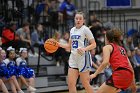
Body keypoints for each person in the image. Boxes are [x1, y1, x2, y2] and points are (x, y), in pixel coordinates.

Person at [59, 11, 96, 93]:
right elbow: (69, 46)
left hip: (83, 58)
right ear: (74, 19)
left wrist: (84, 49)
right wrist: (58, 44)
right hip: (73, 58)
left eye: (80, 19)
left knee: (85, 83)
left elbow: (94, 44)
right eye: (76, 18)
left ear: (83, 20)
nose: (78, 20)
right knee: (71, 84)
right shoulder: (72, 30)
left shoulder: (86, 29)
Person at [90, 28, 137, 93]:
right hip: (129, 75)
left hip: (120, 74)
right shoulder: (122, 49)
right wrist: (133, 82)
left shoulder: (107, 47)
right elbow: (130, 66)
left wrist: (95, 74)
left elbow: (105, 62)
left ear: (107, 38)